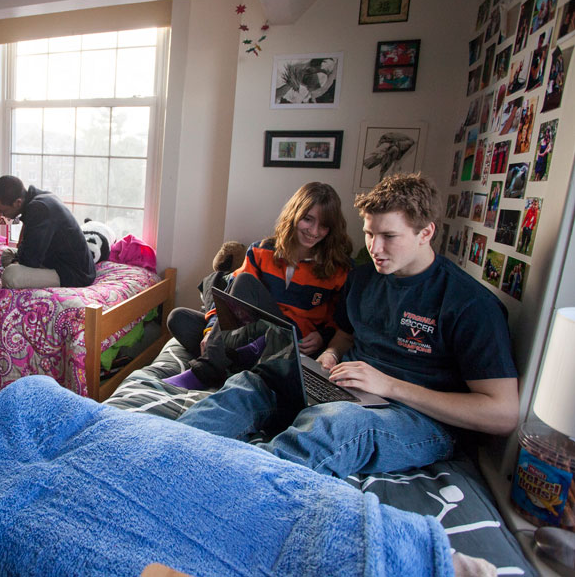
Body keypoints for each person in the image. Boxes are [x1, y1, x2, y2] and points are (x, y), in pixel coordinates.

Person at [177, 173, 519, 478]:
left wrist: (390, 386)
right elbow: (344, 335)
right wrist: (329, 355)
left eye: (389, 236)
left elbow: (501, 414)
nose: (375, 248)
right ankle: (160, 453)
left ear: (425, 233)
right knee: (250, 383)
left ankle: (234, 489)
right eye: (370, 234)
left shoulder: (470, 304)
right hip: (344, 388)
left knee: (334, 424)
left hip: (411, 415)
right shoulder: (364, 278)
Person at [164, 182, 353, 391]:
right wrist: (210, 331)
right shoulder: (261, 251)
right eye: (308, 220)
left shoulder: (338, 269)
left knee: (244, 282)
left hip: (292, 341)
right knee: (179, 318)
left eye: (324, 225)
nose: (314, 231)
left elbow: (341, 322)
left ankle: (207, 370)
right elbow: (230, 300)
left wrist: (323, 336)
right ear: (294, 215)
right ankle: (238, 363)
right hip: (249, 334)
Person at [0, 175, 95, 289]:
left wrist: (18, 263)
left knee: (10, 275)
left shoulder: (39, 209)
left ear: (18, 202)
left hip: (73, 273)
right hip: (51, 259)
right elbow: (28, 249)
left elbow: (30, 260)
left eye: (1, 210)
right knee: (7, 254)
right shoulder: (39, 198)